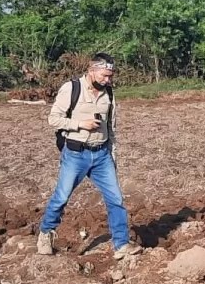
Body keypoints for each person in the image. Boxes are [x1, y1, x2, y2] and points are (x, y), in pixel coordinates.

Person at [37, 53, 142, 260]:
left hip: (102, 155)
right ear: (91, 70)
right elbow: (53, 119)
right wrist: (79, 124)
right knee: (61, 197)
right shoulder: (72, 88)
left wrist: (112, 156)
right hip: (76, 154)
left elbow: (111, 128)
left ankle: (121, 244)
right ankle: (46, 234)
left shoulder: (109, 94)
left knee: (116, 199)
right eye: (104, 75)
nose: (108, 80)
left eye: (110, 76)